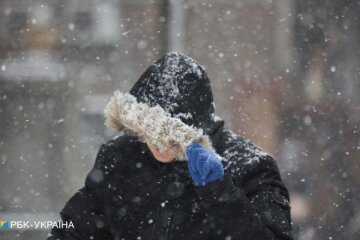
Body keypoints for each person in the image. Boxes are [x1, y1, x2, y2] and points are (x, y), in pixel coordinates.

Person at [48, 52, 293, 240]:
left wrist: (220, 193)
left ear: (198, 131)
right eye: (148, 131)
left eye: (171, 137)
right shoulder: (120, 158)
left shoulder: (250, 166)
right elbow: (73, 230)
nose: (158, 144)